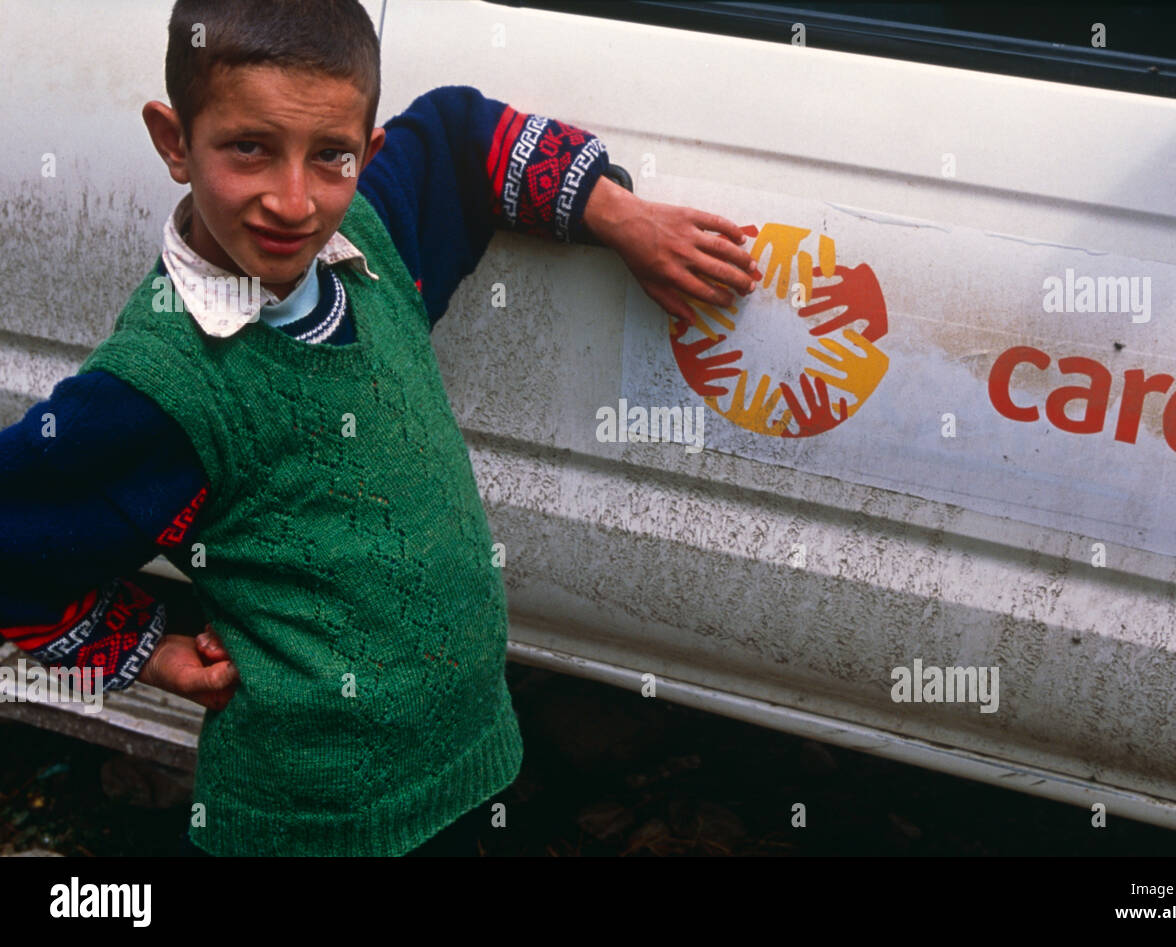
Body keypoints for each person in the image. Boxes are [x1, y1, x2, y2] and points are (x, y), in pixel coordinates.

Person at [0, 0, 760, 856]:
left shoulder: (370, 236)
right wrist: (149, 649)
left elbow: (458, 132)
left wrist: (621, 216)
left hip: (463, 761)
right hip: (312, 821)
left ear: (366, 150)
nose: (294, 201)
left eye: (331, 155)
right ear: (174, 141)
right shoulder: (159, 393)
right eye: (249, 147)